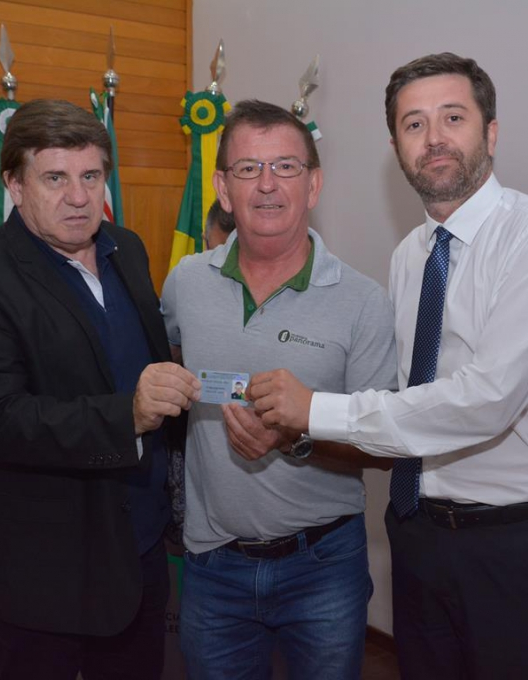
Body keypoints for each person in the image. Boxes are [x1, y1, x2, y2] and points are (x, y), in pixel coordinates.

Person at [248, 53, 528, 680]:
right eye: (414, 124)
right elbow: (409, 392)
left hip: (515, 546)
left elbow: (486, 400)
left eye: (452, 117)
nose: (433, 138)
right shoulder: (411, 255)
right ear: (396, 149)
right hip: (418, 533)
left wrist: (316, 410)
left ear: (490, 132)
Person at [0, 99, 200, 680]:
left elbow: (132, 359)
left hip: (141, 550)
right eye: (55, 178)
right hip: (43, 573)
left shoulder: (126, 248)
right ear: (15, 185)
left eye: (91, 176)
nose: (79, 197)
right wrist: (127, 414)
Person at [161, 99, 397, 680]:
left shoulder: (364, 302)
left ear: (313, 184)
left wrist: (293, 438)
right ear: (223, 188)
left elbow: (385, 448)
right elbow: (170, 373)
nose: (267, 185)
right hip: (212, 567)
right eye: (248, 168)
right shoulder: (185, 283)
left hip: (323, 567)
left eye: (286, 167)